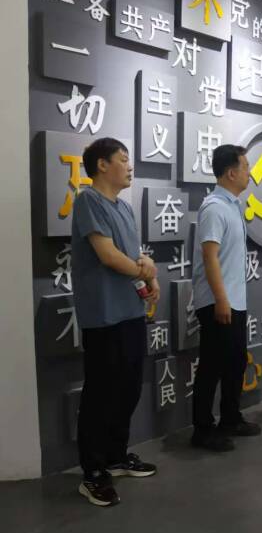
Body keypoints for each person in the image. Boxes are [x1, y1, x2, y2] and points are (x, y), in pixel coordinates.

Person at [72, 137, 159, 507]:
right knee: (101, 393)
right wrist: (144, 270)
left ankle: (115, 456)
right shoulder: (88, 200)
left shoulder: (123, 207)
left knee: (128, 387)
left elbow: (133, 255)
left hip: (130, 310)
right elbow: (108, 255)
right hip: (103, 315)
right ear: (102, 165)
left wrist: (149, 277)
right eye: (123, 159)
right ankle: (92, 473)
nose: (130, 165)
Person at [191, 145, 261, 452]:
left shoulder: (232, 205)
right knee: (212, 367)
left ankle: (230, 418)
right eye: (246, 167)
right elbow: (210, 257)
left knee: (235, 363)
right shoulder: (214, 208)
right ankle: (202, 430)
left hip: (234, 301)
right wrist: (221, 300)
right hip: (218, 302)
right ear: (231, 173)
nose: (250, 173)